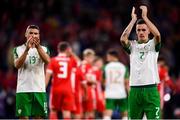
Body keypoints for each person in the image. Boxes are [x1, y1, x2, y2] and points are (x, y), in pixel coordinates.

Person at [120, 5, 161, 119]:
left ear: (148, 31)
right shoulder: (132, 46)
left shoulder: (153, 44)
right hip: (135, 91)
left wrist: (145, 17)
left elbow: (157, 34)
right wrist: (133, 20)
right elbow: (123, 39)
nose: (141, 32)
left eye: (144, 29)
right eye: (138, 30)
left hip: (151, 90)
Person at [13, 25, 50, 119]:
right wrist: (26, 50)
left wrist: (38, 47)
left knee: (39, 118)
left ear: (39, 35)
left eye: (36, 33)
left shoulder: (44, 49)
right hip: (23, 90)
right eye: (31, 33)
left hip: (39, 90)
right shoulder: (18, 49)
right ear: (26, 34)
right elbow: (17, 65)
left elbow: (48, 61)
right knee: (23, 118)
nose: (33, 35)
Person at [45, 41, 79, 119]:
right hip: (68, 90)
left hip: (56, 89)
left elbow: (48, 77)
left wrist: (43, 89)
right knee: (66, 112)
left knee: (53, 110)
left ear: (58, 49)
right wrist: (72, 53)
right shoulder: (71, 60)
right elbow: (79, 63)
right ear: (67, 49)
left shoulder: (53, 60)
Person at [103, 49, 129, 120]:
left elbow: (104, 82)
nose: (107, 58)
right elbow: (126, 82)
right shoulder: (124, 67)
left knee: (108, 113)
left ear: (112, 56)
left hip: (110, 93)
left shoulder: (106, 67)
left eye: (108, 56)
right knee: (125, 114)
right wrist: (129, 93)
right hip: (121, 93)